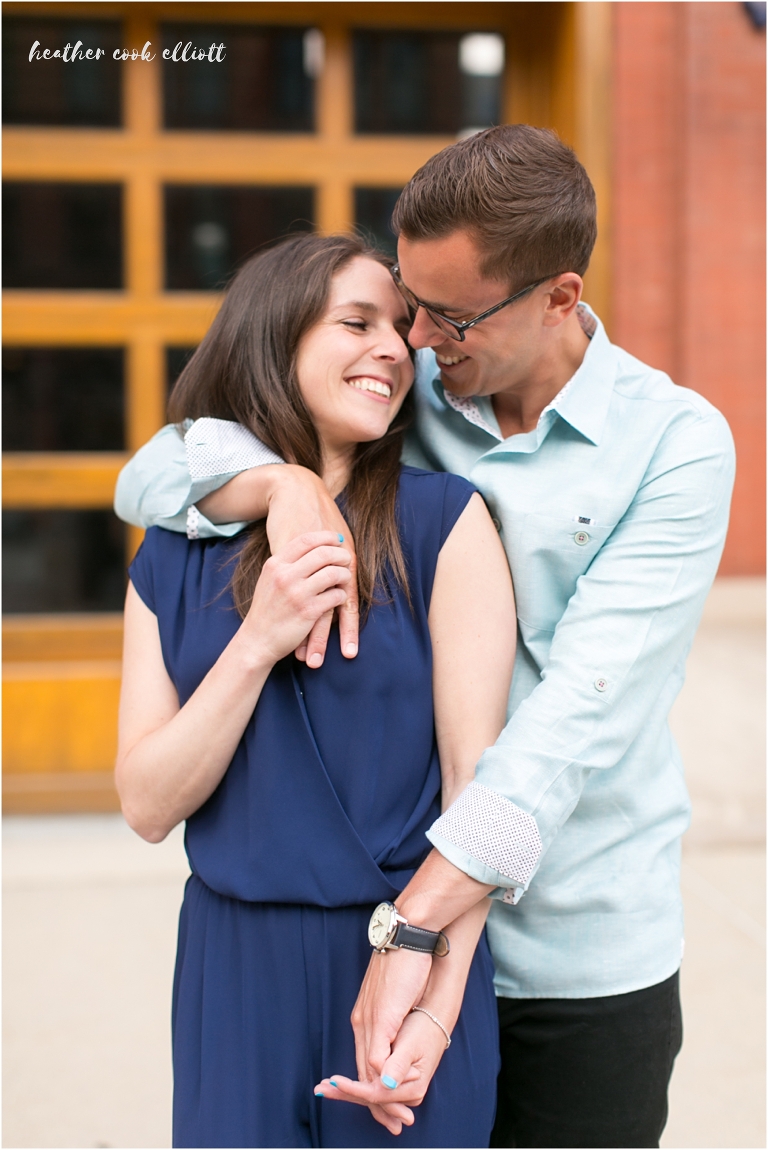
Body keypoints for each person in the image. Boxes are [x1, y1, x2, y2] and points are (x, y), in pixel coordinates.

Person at [115, 125, 736, 1149]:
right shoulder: (422, 402)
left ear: (558, 299)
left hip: (573, 948)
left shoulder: (673, 445)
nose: (414, 342)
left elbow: (571, 722)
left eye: (443, 318)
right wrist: (279, 485)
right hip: (394, 940)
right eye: (407, 308)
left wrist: (422, 938)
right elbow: (157, 469)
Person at [115, 232, 516, 1149]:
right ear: (273, 337)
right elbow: (145, 803)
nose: (393, 347)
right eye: (356, 322)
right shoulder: (170, 558)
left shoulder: (444, 524)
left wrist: (435, 995)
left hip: (406, 950)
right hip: (233, 969)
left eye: (399, 329)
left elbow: (481, 791)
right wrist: (259, 639)